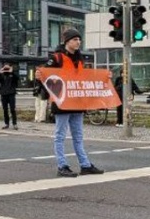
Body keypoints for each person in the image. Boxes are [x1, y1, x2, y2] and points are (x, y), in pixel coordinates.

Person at [42, 28, 104, 177]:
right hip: (62, 101)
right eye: (75, 39)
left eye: (79, 40)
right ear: (67, 41)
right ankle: (62, 166)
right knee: (60, 135)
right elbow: (46, 75)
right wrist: (40, 74)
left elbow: (83, 79)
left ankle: (85, 165)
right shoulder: (57, 58)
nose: (78, 42)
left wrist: (103, 79)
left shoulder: (80, 59)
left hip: (77, 101)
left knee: (78, 136)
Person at [0, 63, 20, 130]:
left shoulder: (13, 75)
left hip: (11, 94)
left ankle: (14, 124)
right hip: (3, 94)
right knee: (5, 110)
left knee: (12, 109)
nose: (6, 69)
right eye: (5, 68)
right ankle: (6, 123)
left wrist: (12, 72)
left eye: (7, 68)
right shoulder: (1, 75)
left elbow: (18, 78)